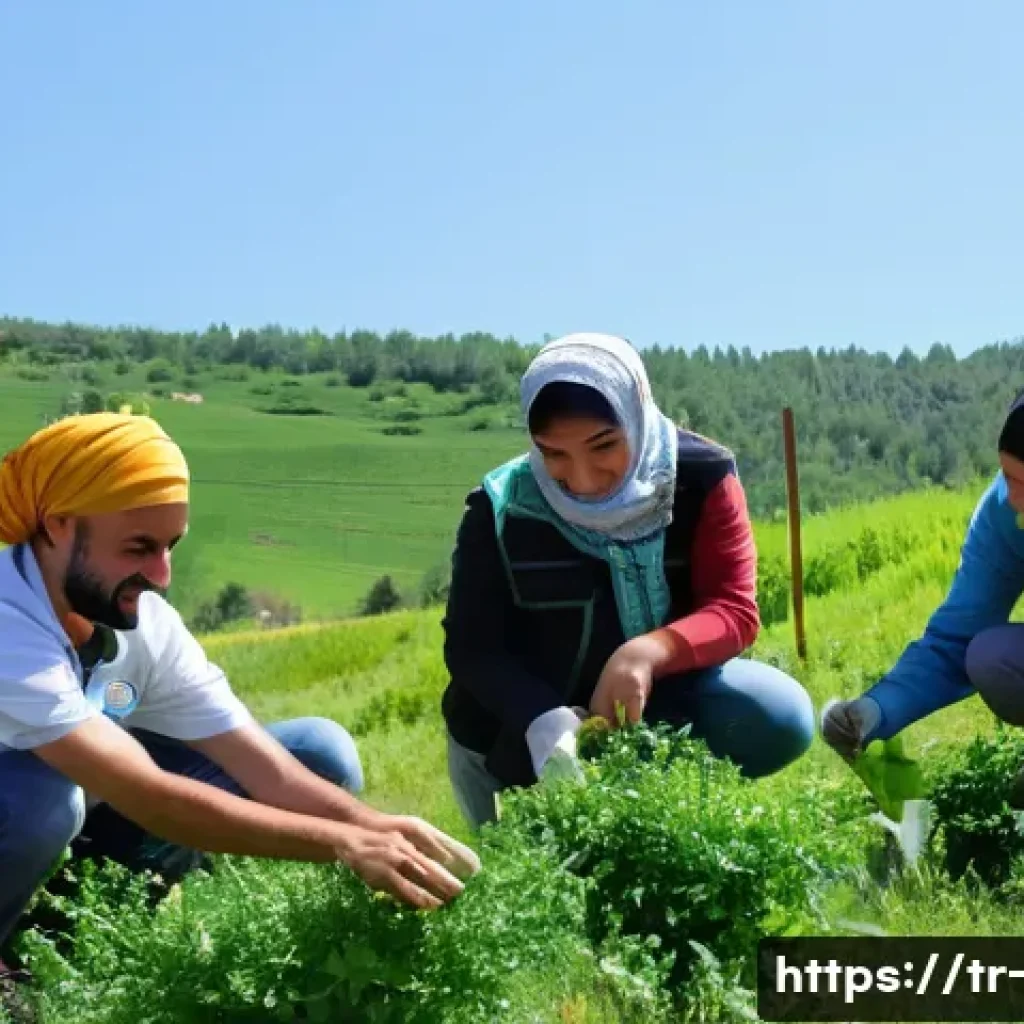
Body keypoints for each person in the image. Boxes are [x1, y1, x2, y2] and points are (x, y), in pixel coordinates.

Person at [0, 412, 478, 984]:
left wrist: (380, 830)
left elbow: (265, 768)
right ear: (56, 525)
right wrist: (345, 845)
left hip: (77, 829)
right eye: (138, 548)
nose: (161, 574)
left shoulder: (144, 621)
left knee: (317, 754)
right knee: (43, 802)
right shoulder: (9, 620)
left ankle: (62, 941)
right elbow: (146, 795)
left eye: (172, 546)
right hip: (37, 818)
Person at [440, 332, 815, 829]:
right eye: (554, 454)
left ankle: (663, 803)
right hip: (516, 731)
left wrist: (645, 653)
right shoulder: (501, 506)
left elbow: (733, 609)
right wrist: (540, 718)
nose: (586, 479)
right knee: (544, 880)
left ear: (635, 411)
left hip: (656, 703)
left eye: (604, 446)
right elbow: (473, 649)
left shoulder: (701, 478)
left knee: (778, 712)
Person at [822, 389, 1024, 803]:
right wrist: (874, 710)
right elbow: (957, 640)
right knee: (993, 656)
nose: (1015, 497)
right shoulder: (1004, 515)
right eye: (1009, 478)